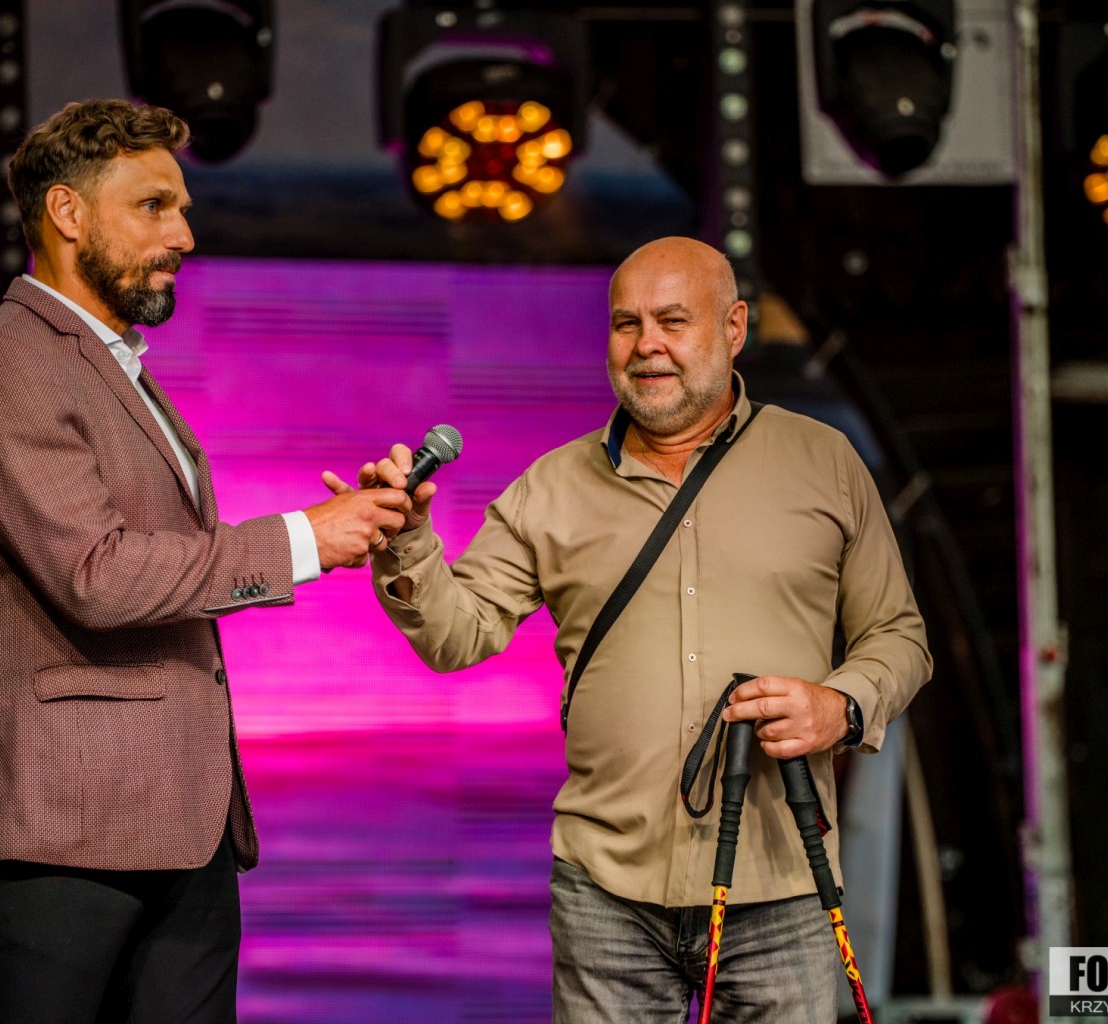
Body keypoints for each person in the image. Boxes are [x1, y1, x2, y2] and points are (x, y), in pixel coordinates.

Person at [0, 99, 409, 1023]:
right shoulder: (1, 362)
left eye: (182, 209)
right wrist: (305, 539)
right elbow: (97, 577)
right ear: (67, 212)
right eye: (153, 207)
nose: (183, 234)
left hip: (181, 828)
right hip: (51, 832)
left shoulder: (116, 369)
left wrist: (348, 528)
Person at [352, 236, 932, 1023]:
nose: (646, 344)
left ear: (734, 328)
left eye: (672, 321)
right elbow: (458, 637)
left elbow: (899, 636)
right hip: (606, 895)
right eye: (626, 324)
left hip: (782, 887)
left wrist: (842, 707)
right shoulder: (551, 487)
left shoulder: (824, 462)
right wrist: (408, 542)